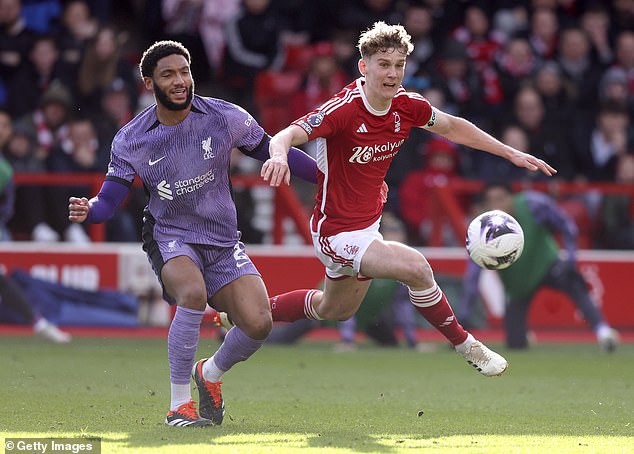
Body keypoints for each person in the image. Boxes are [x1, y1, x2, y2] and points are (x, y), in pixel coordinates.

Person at [258, 22, 556, 378]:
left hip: (368, 224)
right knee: (417, 269)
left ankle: (248, 313)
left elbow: (452, 127)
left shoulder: (408, 106)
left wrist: (509, 153)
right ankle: (467, 345)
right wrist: (278, 156)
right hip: (336, 232)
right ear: (363, 66)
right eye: (384, 64)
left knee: (332, 309)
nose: (393, 73)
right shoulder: (343, 110)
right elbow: (286, 134)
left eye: (399, 65)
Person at [67, 40, 319, 427]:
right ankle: (178, 406)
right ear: (150, 83)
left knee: (259, 322)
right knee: (193, 293)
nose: (181, 81)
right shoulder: (131, 138)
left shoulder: (225, 116)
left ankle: (210, 374)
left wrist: (328, 178)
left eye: (184, 72)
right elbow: (109, 198)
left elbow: (272, 149)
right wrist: (91, 209)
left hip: (221, 240)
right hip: (170, 235)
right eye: (169, 75)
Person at [460, 181, 619, 352]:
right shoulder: (483, 230)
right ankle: (523, 336)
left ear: (512, 197)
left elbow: (566, 225)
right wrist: (463, 320)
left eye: (501, 199)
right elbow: (473, 274)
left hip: (547, 264)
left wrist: (571, 259)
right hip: (518, 283)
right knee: (515, 345)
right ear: (486, 205)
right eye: (492, 201)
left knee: (574, 283)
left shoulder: (533, 204)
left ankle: (603, 331)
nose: (498, 205)